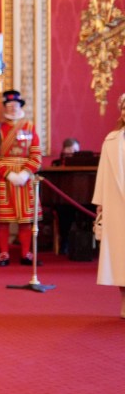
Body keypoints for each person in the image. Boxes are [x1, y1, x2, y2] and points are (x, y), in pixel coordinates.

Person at [0, 89, 42, 266]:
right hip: (4, 178)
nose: (13, 109)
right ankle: (4, 253)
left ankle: (25, 253)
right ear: (4, 108)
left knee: (26, 219)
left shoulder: (30, 127)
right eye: (9, 105)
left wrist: (25, 173)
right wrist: (8, 174)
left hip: (25, 179)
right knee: (4, 219)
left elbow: (36, 156)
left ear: (20, 106)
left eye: (15, 105)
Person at [93, 94, 125, 319]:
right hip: (117, 206)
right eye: (124, 108)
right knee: (120, 256)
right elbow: (103, 174)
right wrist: (100, 204)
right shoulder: (111, 140)